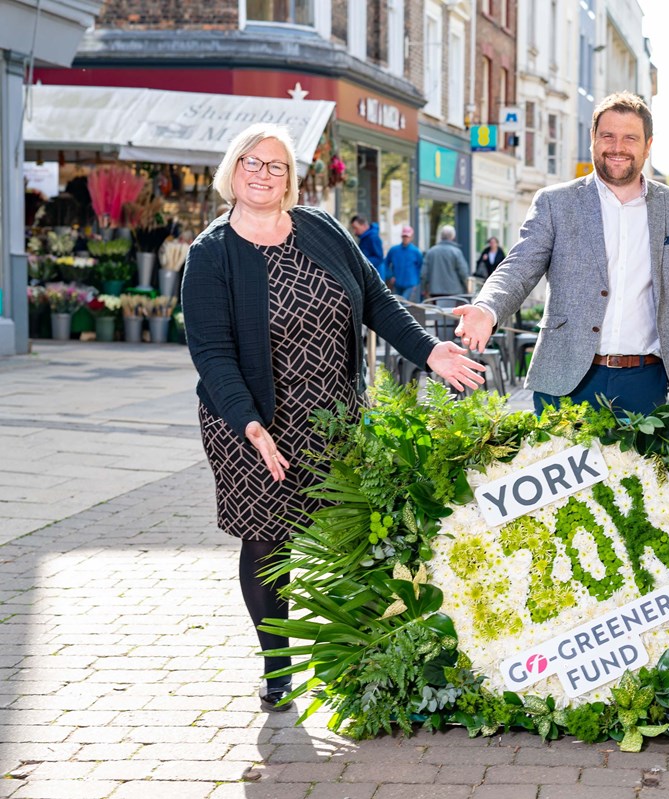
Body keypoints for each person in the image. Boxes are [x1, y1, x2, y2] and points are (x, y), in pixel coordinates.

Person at [181, 123, 484, 713]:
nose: (263, 174)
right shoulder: (211, 253)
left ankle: (359, 654)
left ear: (290, 177)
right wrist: (249, 424)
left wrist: (427, 350)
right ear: (232, 170)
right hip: (253, 422)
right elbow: (212, 354)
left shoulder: (319, 228)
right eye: (252, 162)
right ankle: (278, 668)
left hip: (335, 416)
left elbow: (375, 300)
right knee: (269, 542)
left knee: (357, 533)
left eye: (276, 165)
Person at [453, 91, 669, 416]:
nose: (617, 147)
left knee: (642, 485)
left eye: (629, 138)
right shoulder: (555, 202)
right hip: (565, 378)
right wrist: (488, 307)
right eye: (607, 136)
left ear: (647, 145)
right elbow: (520, 266)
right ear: (593, 139)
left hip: (644, 381)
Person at [421, 225, 471, 299]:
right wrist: (467, 287)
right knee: (452, 311)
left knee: (437, 310)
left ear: (441, 236)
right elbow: (463, 272)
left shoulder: (431, 252)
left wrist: (424, 289)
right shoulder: (456, 252)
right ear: (453, 236)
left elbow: (423, 274)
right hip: (454, 292)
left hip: (435, 292)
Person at [385, 224, 423, 301]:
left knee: (403, 303)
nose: (405, 238)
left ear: (411, 237)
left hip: (410, 283)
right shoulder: (394, 250)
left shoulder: (416, 252)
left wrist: (416, 282)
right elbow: (386, 263)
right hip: (397, 282)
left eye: (407, 236)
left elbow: (420, 267)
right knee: (398, 303)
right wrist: (390, 275)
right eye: (404, 236)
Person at [349, 215, 387, 286]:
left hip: (376, 276)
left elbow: (379, 258)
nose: (355, 232)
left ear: (364, 226)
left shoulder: (373, 238)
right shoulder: (364, 238)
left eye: (356, 228)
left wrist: (362, 262)